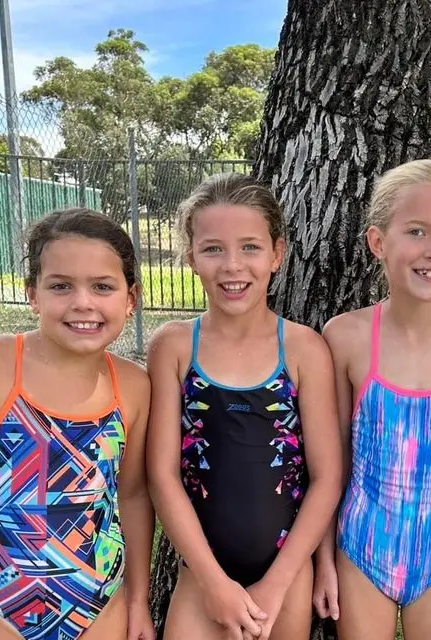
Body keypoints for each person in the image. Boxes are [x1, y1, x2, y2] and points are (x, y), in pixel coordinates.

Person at [0, 208, 156, 640]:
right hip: (0, 608)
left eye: (103, 286)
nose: (83, 302)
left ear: (130, 298)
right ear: (33, 294)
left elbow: (133, 494)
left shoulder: (133, 385)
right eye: (61, 286)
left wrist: (137, 600)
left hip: (104, 605)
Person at [313, 159, 431, 639]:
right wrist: (323, 560)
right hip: (361, 543)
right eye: (417, 232)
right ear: (379, 242)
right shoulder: (346, 338)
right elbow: (329, 459)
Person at [146, 172, 343, 640]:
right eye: (213, 249)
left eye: (250, 247)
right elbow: (162, 476)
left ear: (277, 254)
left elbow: (328, 477)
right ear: (191, 257)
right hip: (202, 578)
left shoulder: (303, 349)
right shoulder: (174, 347)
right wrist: (214, 583)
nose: (232, 266)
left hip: (284, 578)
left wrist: (277, 584)